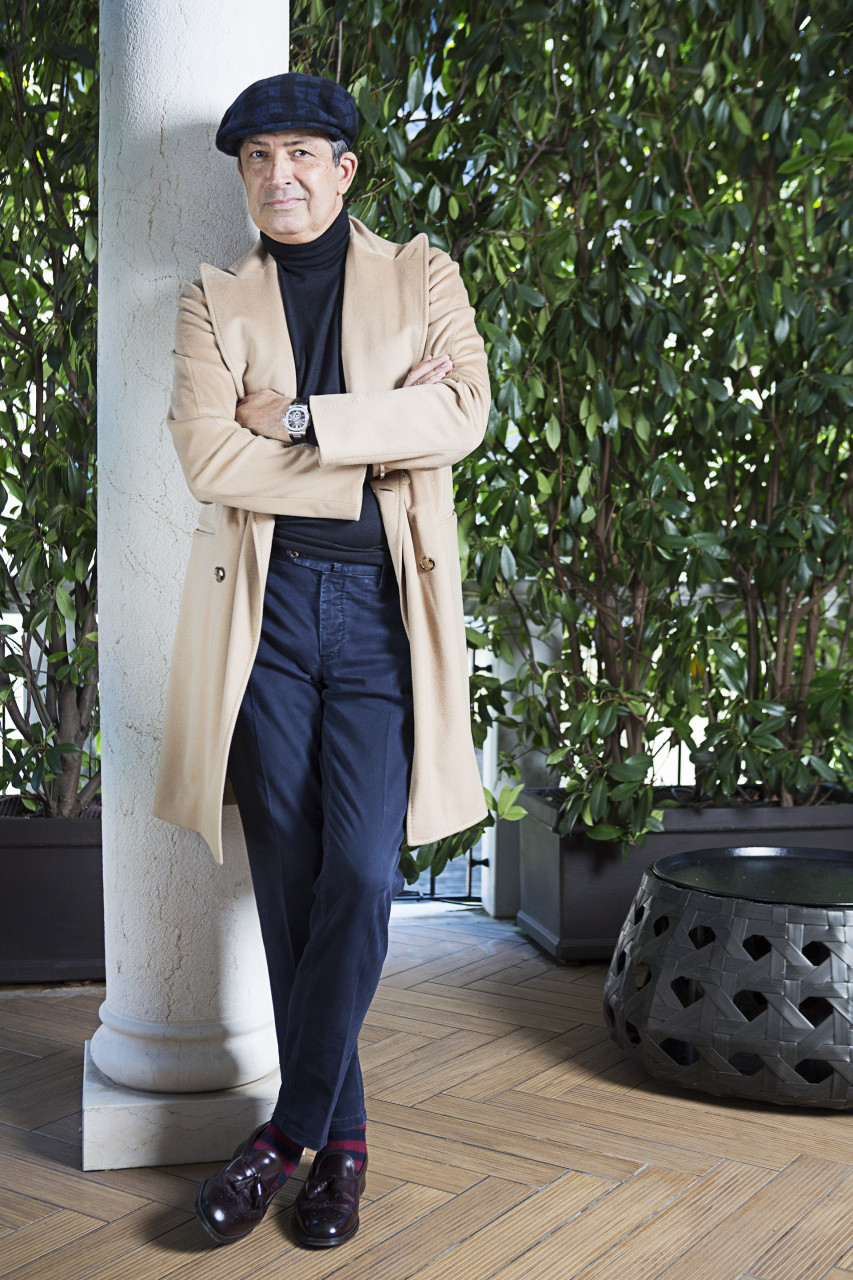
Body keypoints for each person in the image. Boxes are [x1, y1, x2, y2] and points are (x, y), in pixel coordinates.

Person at [153, 71, 490, 1249]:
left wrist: (299, 420)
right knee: (291, 875)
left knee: (357, 867)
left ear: (344, 170)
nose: (278, 175)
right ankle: (341, 1146)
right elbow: (208, 459)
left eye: (300, 153)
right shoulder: (213, 300)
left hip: (382, 614)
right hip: (267, 611)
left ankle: (283, 1133)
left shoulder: (423, 276)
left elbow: (462, 414)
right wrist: (374, 438)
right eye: (258, 158)